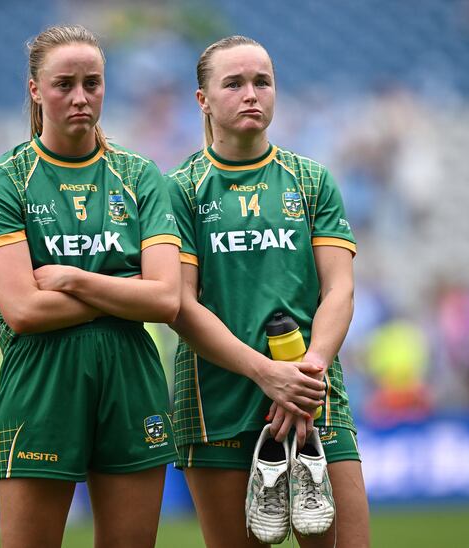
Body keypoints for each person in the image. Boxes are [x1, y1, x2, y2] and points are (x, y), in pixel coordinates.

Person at [0, 25, 181, 548]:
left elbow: (165, 299)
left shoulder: (140, 176)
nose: (81, 97)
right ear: (35, 90)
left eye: (93, 82)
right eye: (64, 83)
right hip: (41, 381)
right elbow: (22, 309)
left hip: (132, 379)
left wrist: (73, 280)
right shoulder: (5, 180)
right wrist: (119, 291)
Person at [168, 35, 370, 547]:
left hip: (312, 393)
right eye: (233, 83)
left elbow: (340, 290)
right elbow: (180, 306)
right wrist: (266, 375)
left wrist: (306, 373)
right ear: (203, 100)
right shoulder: (180, 189)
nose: (251, 94)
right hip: (215, 400)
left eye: (262, 81)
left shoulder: (311, 180)